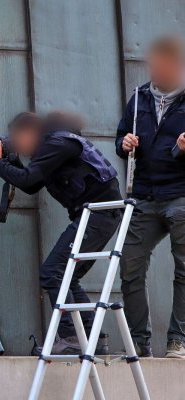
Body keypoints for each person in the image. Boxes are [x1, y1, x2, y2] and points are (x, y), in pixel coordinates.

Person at [0, 111, 122, 355]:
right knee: (67, 276)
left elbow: (28, 180)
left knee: (53, 271)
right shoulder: (52, 147)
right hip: (97, 215)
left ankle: (71, 336)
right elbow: (31, 185)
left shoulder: (57, 143)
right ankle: (93, 339)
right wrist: (11, 162)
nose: (18, 145)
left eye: (17, 139)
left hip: (97, 214)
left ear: (30, 132)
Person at [116, 35, 185, 359]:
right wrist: (125, 143)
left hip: (181, 195)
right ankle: (138, 344)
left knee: (184, 269)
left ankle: (178, 340)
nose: (155, 71)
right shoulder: (139, 97)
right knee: (129, 265)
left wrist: (180, 150)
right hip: (144, 194)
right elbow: (120, 138)